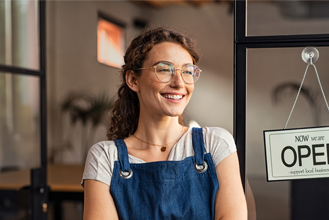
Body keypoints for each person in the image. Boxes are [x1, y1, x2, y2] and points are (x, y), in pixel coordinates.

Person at [82, 27, 247, 220]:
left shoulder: (216, 143)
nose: (179, 83)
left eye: (187, 71)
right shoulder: (105, 158)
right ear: (133, 79)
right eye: (164, 70)